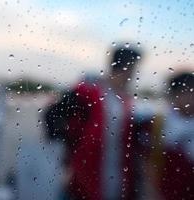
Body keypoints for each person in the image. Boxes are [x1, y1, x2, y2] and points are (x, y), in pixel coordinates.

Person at [44, 43, 144, 199]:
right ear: (123, 68)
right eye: (132, 69)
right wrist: (69, 148)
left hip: (117, 179)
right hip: (85, 174)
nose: (132, 75)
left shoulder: (125, 100)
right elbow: (51, 114)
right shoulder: (87, 91)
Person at [147, 71, 194, 199]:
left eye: (192, 92)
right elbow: (152, 160)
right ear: (174, 95)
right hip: (167, 192)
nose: (189, 98)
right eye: (184, 92)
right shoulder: (160, 122)